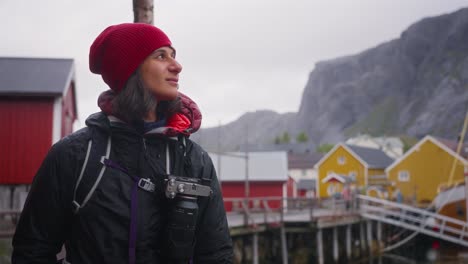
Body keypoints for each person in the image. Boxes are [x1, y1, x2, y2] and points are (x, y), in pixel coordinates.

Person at [12, 23, 233, 264]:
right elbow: (32, 250)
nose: (177, 66)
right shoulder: (74, 155)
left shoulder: (193, 159)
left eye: (174, 55)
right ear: (130, 70)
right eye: (161, 55)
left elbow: (216, 254)